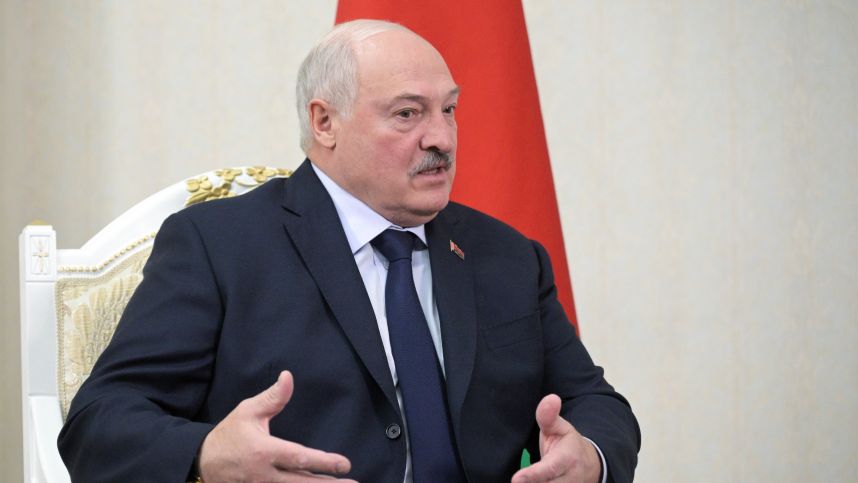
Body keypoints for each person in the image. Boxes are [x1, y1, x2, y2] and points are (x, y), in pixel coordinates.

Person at [58, 19, 640, 483]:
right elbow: (98, 421)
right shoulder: (219, 246)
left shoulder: (507, 255)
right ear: (325, 122)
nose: (441, 138)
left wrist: (589, 456)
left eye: (449, 109)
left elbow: (595, 402)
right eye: (408, 113)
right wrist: (208, 452)